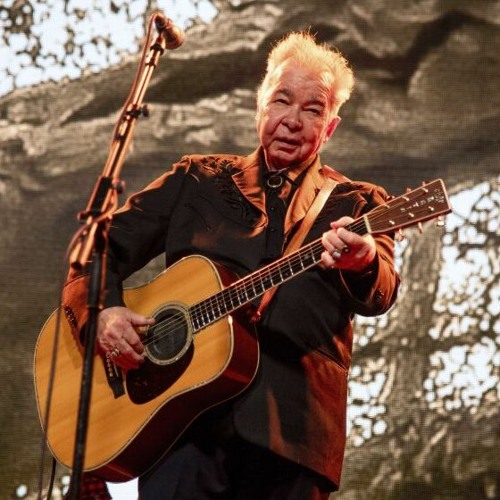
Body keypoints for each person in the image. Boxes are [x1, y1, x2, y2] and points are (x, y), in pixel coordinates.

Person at [85, 32, 400, 499]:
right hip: (183, 428)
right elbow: (97, 249)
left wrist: (365, 260)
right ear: (260, 105)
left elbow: (383, 291)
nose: (291, 119)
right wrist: (105, 313)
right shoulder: (197, 178)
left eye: (312, 110)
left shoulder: (359, 203)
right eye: (281, 101)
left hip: (292, 437)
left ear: (330, 127)